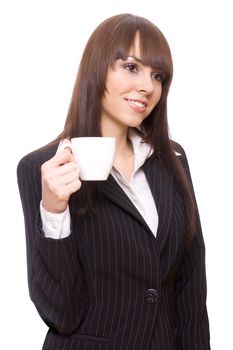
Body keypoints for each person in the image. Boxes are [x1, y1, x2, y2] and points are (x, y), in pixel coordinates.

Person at [17, 13, 210, 350]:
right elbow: (61, 312)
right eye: (131, 67)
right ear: (98, 69)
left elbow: (190, 288)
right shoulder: (42, 168)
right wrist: (54, 211)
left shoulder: (172, 160)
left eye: (158, 75)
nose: (148, 87)